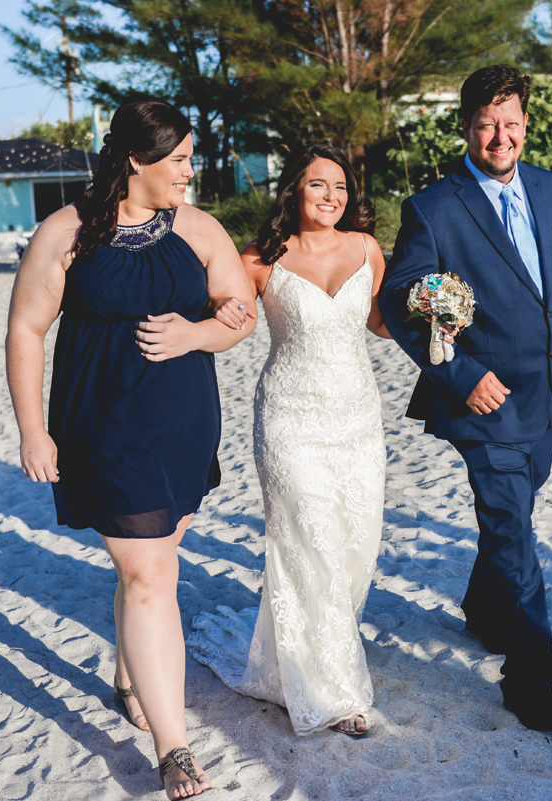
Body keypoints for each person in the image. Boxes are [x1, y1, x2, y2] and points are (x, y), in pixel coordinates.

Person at [5, 96, 256, 798]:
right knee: (150, 574)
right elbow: (26, 330)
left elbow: (241, 313)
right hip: (101, 428)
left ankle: (127, 672)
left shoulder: (200, 229)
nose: (189, 171)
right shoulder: (68, 230)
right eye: (177, 160)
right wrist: (33, 428)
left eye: (190, 158)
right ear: (137, 161)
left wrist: (197, 333)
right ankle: (174, 748)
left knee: (154, 557)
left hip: (181, 429)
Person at [379, 64, 552, 732]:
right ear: (466, 127)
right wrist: (460, 374)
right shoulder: (433, 207)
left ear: (525, 125)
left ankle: (484, 609)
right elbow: (402, 301)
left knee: (515, 515)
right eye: (487, 125)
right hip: (483, 403)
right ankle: (530, 680)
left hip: (550, 393)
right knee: (514, 532)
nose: (501, 137)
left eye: (511, 123)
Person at [186, 144, 391, 738]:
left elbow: (378, 322)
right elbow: (231, 317)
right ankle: (334, 695)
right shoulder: (257, 259)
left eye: (341, 188)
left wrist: (437, 318)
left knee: (356, 545)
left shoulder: (366, 248)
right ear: (293, 192)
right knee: (311, 543)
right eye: (318, 185)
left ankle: (299, 664)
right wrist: (194, 330)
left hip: (357, 419)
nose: (332, 197)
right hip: (289, 420)